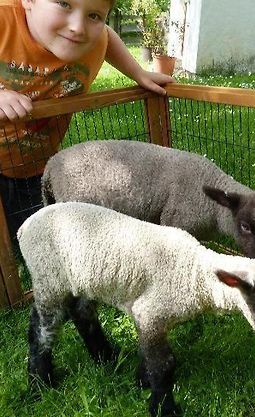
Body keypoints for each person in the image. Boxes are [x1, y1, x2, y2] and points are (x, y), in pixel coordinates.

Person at [0, 0, 174, 240]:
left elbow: (106, 36)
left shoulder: (92, 38)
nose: (78, 27)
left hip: (32, 165)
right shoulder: (4, 20)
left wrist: (138, 72)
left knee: (30, 237)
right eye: (63, 3)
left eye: (93, 16)